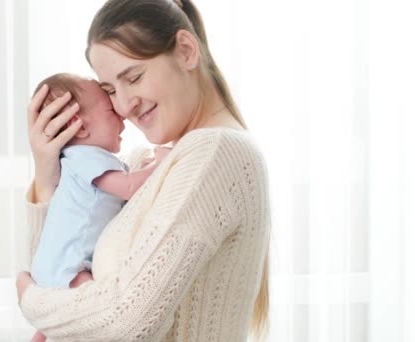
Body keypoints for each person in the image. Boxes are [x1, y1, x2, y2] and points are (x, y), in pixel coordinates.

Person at [17, 0, 271, 341]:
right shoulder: (139, 165)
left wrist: (30, 299)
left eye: (133, 77)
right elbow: (58, 267)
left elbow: (128, 320)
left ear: (185, 50)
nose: (123, 105)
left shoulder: (215, 154)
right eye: (109, 90)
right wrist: (47, 177)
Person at [28, 73, 170, 342]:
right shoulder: (85, 157)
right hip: (68, 267)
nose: (123, 117)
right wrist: (161, 165)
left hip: (54, 266)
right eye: (110, 110)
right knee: (98, 310)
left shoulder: (85, 160)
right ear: (78, 125)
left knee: (49, 328)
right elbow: (128, 187)